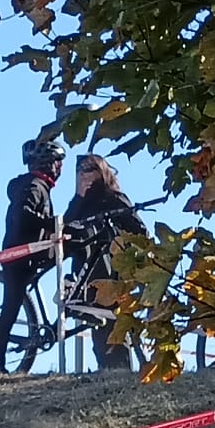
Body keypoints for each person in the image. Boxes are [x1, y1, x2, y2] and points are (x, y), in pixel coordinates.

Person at [64, 154, 146, 371]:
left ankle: (121, 370)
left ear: (102, 172)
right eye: (80, 171)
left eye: (89, 169)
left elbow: (140, 232)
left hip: (113, 273)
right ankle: (109, 371)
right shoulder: (79, 202)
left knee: (114, 325)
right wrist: (78, 198)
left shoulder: (114, 198)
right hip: (85, 275)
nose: (84, 175)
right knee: (98, 327)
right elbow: (65, 232)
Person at [0, 137, 65, 374]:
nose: (60, 168)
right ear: (47, 164)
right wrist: (53, 224)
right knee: (11, 307)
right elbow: (23, 216)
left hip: (31, 253)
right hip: (18, 256)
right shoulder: (34, 186)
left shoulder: (38, 185)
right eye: (58, 162)